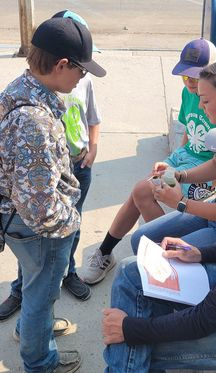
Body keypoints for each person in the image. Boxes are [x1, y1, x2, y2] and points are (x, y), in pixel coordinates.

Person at [102, 113, 216, 372]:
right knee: (131, 269)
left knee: (132, 346)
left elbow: (205, 319)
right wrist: (200, 253)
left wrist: (130, 328)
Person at [0, 17, 105, 373]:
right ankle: (40, 361)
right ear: (62, 65)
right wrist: (73, 219)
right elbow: (40, 208)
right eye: (81, 70)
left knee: (35, 290)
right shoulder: (34, 123)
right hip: (38, 231)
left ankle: (32, 330)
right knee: (42, 296)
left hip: (18, 221)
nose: (81, 79)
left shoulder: (22, 88)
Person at [82, 38, 216, 284]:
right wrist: (175, 159)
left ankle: (165, 255)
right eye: (185, 77)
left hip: (209, 174)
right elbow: (190, 129)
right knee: (143, 190)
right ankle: (109, 251)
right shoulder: (189, 93)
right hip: (186, 158)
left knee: (143, 190)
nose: (189, 83)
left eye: (196, 78)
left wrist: (188, 183)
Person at [130, 57, 216, 255]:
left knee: (151, 256)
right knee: (139, 239)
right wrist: (180, 175)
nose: (200, 106)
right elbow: (215, 164)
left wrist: (181, 203)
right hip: (215, 208)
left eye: (205, 100)